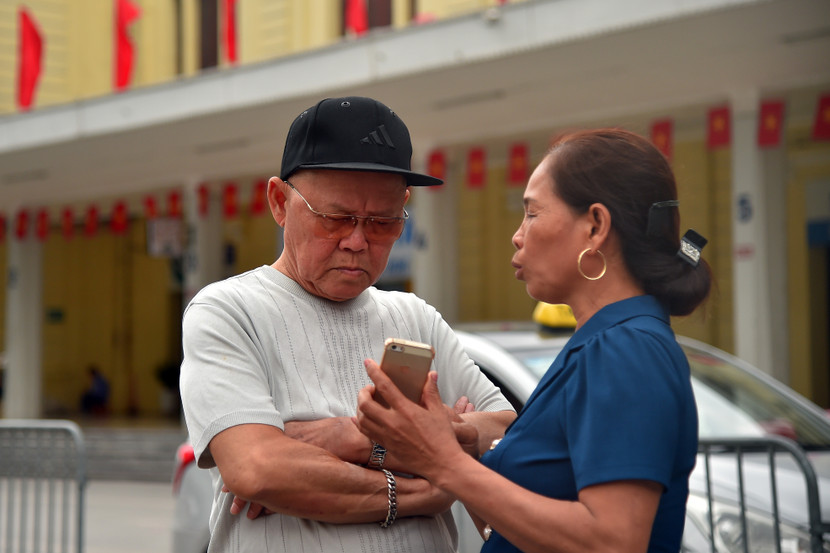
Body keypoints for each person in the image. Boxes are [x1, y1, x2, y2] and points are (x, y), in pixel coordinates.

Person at [179, 96, 516, 553]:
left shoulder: (415, 316)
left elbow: (507, 433)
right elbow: (257, 468)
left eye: (382, 222)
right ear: (279, 202)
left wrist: (355, 439)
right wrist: (434, 485)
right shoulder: (229, 311)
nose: (358, 241)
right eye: (336, 219)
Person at [355, 128, 712, 553]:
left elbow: (613, 541)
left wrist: (443, 461)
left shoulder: (624, 348)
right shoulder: (605, 342)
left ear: (595, 226)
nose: (517, 234)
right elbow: (515, 532)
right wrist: (459, 450)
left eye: (532, 213)